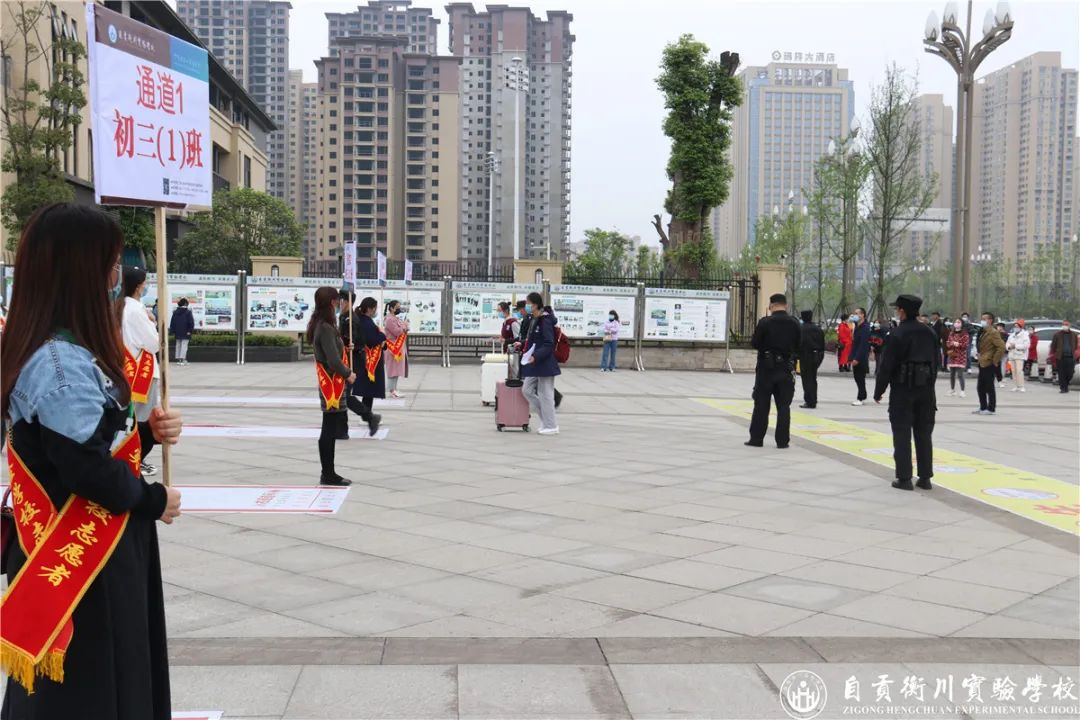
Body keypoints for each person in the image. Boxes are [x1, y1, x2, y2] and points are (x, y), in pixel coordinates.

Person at [0, 203, 182, 719]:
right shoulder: (60, 364)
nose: (116, 275)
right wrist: (155, 498)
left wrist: (145, 436)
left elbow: (74, 450)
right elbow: (86, 471)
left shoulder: (55, 348)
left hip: (84, 547)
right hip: (85, 563)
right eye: (111, 262)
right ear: (80, 270)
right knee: (93, 690)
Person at [873, 294, 938, 491]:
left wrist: (879, 390)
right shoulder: (930, 332)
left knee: (902, 433)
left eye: (897, 309)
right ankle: (925, 477)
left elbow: (886, 366)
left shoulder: (897, 334)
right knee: (924, 433)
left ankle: (904, 478)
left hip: (903, 389)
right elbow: (935, 363)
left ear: (901, 311)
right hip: (926, 389)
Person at [307, 286, 354, 486]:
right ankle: (328, 474)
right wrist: (348, 373)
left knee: (330, 427)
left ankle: (329, 472)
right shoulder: (325, 327)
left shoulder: (323, 324)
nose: (339, 304)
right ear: (331, 302)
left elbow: (333, 351)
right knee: (328, 429)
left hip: (334, 382)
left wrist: (344, 346)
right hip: (332, 385)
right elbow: (333, 361)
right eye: (337, 300)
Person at [121, 265, 161, 477]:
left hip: (126, 368)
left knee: (129, 418)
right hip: (141, 372)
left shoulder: (120, 307)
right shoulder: (136, 310)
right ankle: (136, 459)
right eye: (145, 282)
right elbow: (153, 344)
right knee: (143, 422)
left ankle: (130, 458)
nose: (147, 286)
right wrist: (152, 323)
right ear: (138, 286)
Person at [747, 293, 801, 449]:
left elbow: (755, 343)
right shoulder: (795, 323)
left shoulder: (765, 322)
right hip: (786, 369)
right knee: (784, 406)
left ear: (771, 306)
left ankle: (756, 439)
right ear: (786, 306)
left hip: (766, 368)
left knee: (761, 405)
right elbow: (799, 344)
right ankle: (782, 441)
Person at [336, 291, 381, 439]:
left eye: (340, 301)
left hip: (353, 361)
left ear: (346, 301)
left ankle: (369, 417)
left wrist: (351, 345)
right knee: (342, 395)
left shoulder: (352, 319)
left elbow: (358, 341)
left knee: (344, 395)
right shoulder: (344, 316)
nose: (338, 304)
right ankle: (342, 430)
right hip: (346, 359)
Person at [519, 291, 560, 434]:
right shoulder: (534, 319)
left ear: (535, 305)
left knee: (545, 394)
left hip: (544, 363)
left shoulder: (545, 320)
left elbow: (549, 343)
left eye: (528, 303)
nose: (526, 306)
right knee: (526, 390)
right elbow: (534, 340)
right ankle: (546, 419)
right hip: (534, 362)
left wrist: (536, 356)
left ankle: (551, 426)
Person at [352, 296, 387, 414]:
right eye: (375, 308)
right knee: (368, 390)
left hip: (368, 359)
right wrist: (382, 334)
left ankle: (367, 413)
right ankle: (366, 414)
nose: (375, 311)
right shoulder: (365, 322)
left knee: (368, 391)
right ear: (369, 309)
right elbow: (372, 340)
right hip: (369, 361)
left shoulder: (364, 320)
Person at [974, 311, 1006, 415]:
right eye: (982, 319)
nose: (982, 321)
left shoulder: (993, 332)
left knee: (989, 387)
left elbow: (1001, 347)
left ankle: (991, 408)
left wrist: (995, 360)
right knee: (980, 387)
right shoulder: (983, 331)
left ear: (990, 320)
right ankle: (983, 407)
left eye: (984, 319)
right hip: (982, 361)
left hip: (989, 363)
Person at [798, 309, 825, 409]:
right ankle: (814, 399)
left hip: (805, 356)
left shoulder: (801, 329)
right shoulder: (818, 329)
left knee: (806, 379)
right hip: (816, 356)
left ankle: (809, 401)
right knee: (813, 378)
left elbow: (798, 344)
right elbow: (822, 345)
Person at [383, 299, 409, 399]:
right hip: (392, 348)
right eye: (397, 307)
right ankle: (392, 390)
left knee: (396, 370)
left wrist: (404, 327)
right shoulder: (389, 319)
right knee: (392, 370)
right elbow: (397, 332)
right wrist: (404, 327)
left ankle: (394, 389)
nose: (399, 309)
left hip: (397, 348)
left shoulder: (395, 318)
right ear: (391, 308)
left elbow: (401, 330)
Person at [848, 308, 871, 405]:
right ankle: (863, 395)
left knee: (860, 378)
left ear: (862, 315)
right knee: (857, 377)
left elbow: (863, 345)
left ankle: (860, 398)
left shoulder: (865, 328)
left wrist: (857, 358)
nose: (855, 315)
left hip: (861, 357)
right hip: (855, 355)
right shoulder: (857, 326)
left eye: (857, 313)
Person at [1049, 320, 1077, 393]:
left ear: (1069, 326)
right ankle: (1063, 388)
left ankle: (1066, 385)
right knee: (1061, 373)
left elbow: (1076, 345)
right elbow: (1053, 346)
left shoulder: (1074, 335)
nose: (1065, 326)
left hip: (1070, 357)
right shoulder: (1057, 334)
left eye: (1066, 325)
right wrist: (1054, 354)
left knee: (1070, 373)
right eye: (1064, 325)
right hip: (1060, 357)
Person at [944, 319, 970, 397]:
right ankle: (952, 390)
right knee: (952, 374)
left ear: (962, 324)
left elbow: (966, 345)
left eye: (958, 322)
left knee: (960, 374)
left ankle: (962, 391)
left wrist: (958, 344)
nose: (956, 323)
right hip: (952, 355)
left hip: (961, 356)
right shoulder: (951, 333)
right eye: (955, 322)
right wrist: (951, 343)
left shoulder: (965, 334)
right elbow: (947, 343)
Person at [1005, 319, 1031, 393]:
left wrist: (1015, 346)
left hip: (1020, 355)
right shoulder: (1012, 335)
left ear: (1021, 327)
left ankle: (1021, 386)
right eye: (1015, 326)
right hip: (1012, 355)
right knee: (1013, 371)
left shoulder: (1025, 335)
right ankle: (1016, 386)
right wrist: (1009, 347)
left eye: (1017, 326)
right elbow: (1007, 343)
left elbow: (1026, 345)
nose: (1015, 328)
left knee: (1019, 370)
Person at [169, 297, 195, 365]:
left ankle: (179, 360)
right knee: (184, 345)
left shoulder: (175, 312)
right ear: (186, 303)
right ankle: (183, 359)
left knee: (178, 345)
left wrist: (172, 331)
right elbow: (191, 322)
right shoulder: (188, 312)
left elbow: (172, 322)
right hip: (186, 331)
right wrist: (190, 331)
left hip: (177, 332)